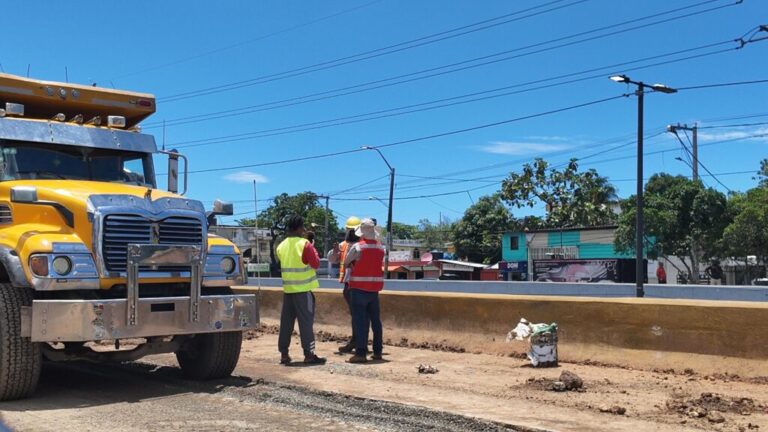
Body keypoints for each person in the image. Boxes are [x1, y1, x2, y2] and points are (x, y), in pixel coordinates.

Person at [275, 215, 325, 365]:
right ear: (298, 228)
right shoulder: (305, 244)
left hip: (288, 291)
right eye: (302, 227)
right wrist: (312, 245)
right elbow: (316, 264)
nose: (304, 230)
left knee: (286, 323)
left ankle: (284, 354)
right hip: (303, 291)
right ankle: (309, 355)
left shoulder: (281, 246)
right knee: (306, 323)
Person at [344, 218, 385, 364]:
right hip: (374, 290)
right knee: (376, 321)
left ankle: (360, 353)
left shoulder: (358, 247)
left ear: (362, 233)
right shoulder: (381, 248)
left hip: (358, 289)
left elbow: (346, 262)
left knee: (360, 321)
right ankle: (378, 352)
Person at [327, 216, 361, 353]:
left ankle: (357, 341)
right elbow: (331, 258)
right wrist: (335, 252)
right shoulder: (343, 245)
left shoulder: (362, 245)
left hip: (357, 284)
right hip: (350, 284)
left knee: (358, 315)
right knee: (357, 315)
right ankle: (358, 341)